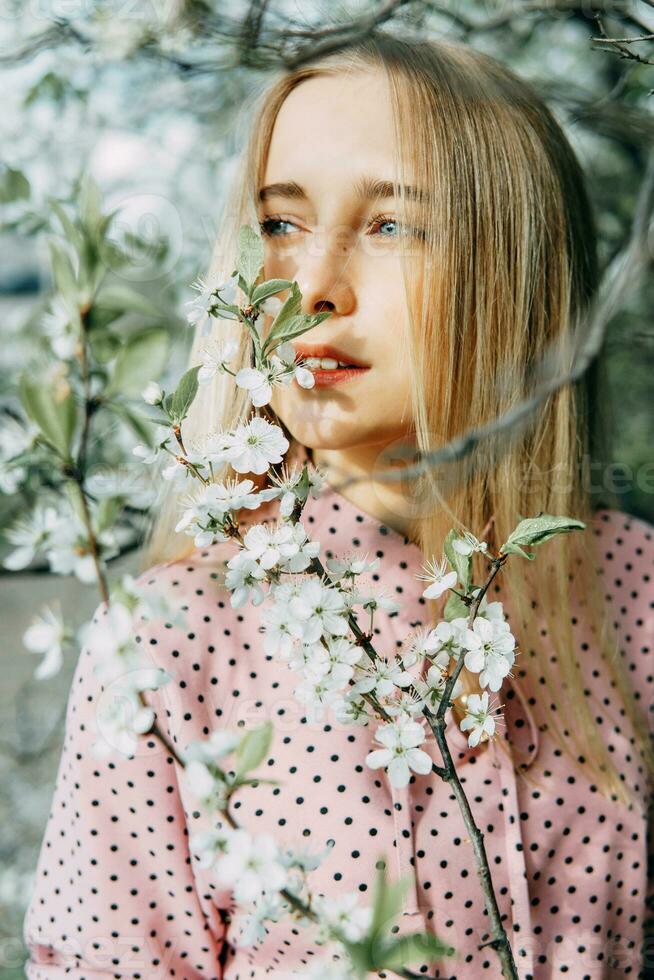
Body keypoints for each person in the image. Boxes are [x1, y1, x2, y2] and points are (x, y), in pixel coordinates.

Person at [23, 32, 654, 980]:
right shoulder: (171, 642)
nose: (310, 288)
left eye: (392, 226)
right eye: (280, 225)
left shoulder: (631, 591)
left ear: (516, 269)